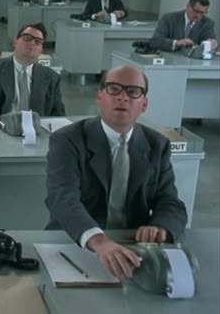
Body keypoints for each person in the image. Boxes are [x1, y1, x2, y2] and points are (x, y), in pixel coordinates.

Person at [45, 65, 188, 280]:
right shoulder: (67, 140)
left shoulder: (157, 145)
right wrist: (100, 242)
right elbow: (62, 199)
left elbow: (170, 202)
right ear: (100, 96)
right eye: (114, 89)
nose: (123, 97)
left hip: (133, 248)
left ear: (144, 104)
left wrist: (161, 227)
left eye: (133, 92)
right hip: (76, 243)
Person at [0, 23, 65, 126]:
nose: (32, 43)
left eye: (38, 42)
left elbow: (58, 116)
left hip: (36, 132)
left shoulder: (51, 77)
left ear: (41, 50)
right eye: (27, 38)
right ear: (15, 42)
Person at [150, 0, 218, 53]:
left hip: (193, 62)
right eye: (196, 11)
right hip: (169, 59)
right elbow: (156, 41)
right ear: (188, 5)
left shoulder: (207, 23)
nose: (198, 15)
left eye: (202, 13)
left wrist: (212, 45)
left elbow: (211, 46)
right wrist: (176, 43)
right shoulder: (169, 18)